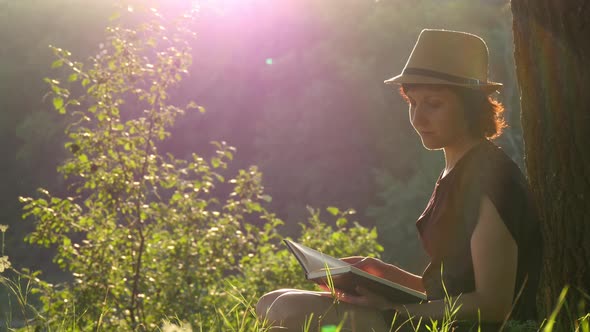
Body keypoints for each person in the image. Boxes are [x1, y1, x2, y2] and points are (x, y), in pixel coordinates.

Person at [255, 29, 542, 332]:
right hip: (445, 318)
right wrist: (381, 272)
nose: (418, 119)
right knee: (271, 302)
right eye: (412, 103)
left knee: (285, 309)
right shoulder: (457, 170)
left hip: (470, 327)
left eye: (433, 104)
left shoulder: (490, 178)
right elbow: (451, 288)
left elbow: (494, 303)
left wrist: (393, 311)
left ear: (470, 105)